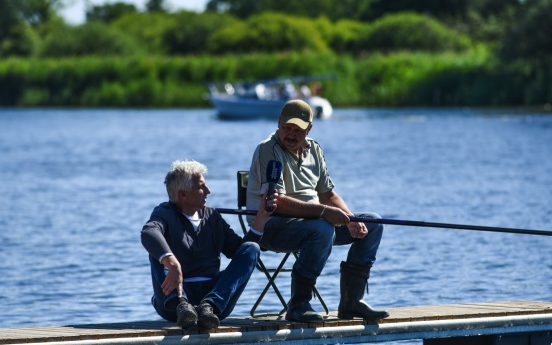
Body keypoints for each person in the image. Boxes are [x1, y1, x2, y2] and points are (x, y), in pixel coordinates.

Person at [246, 100, 390, 323]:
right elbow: (278, 203)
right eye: (287, 128)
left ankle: (352, 301)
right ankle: (299, 303)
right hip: (270, 227)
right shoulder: (268, 150)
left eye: (298, 130)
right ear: (278, 123)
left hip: (314, 224)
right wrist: (324, 212)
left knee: (373, 223)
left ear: (309, 129)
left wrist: (351, 220)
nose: (291, 135)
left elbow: (328, 195)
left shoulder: (315, 148)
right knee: (322, 228)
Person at [141, 160, 277, 329]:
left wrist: (262, 217)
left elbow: (241, 253)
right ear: (183, 195)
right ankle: (181, 305)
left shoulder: (212, 217)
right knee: (156, 250)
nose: (208, 191)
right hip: (173, 304)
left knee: (252, 249)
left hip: (214, 306)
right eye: (201, 187)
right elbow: (148, 232)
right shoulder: (164, 213)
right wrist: (171, 262)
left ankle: (209, 305)